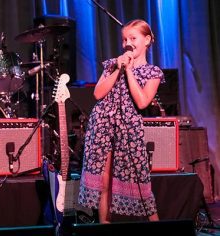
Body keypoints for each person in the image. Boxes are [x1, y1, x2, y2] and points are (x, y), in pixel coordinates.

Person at [78, 19, 165, 223]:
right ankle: (104, 223)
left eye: (133, 38)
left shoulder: (153, 72)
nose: (128, 42)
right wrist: (118, 68)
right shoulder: (111, 65)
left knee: (141, 182)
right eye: (125, 38)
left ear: (148, 40)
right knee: (103, 182)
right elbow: (98, 93)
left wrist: (129, 72)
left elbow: (142, 101)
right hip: (102, 125)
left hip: (128, 128)